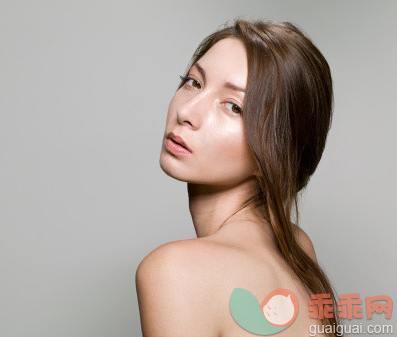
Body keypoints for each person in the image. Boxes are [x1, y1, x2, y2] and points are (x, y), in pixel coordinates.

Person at [135, 18, 342, 337]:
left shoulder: (175, 270)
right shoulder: (297, 249)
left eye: (233, 106)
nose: (187, 112)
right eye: (194, 82)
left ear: (275, 152)